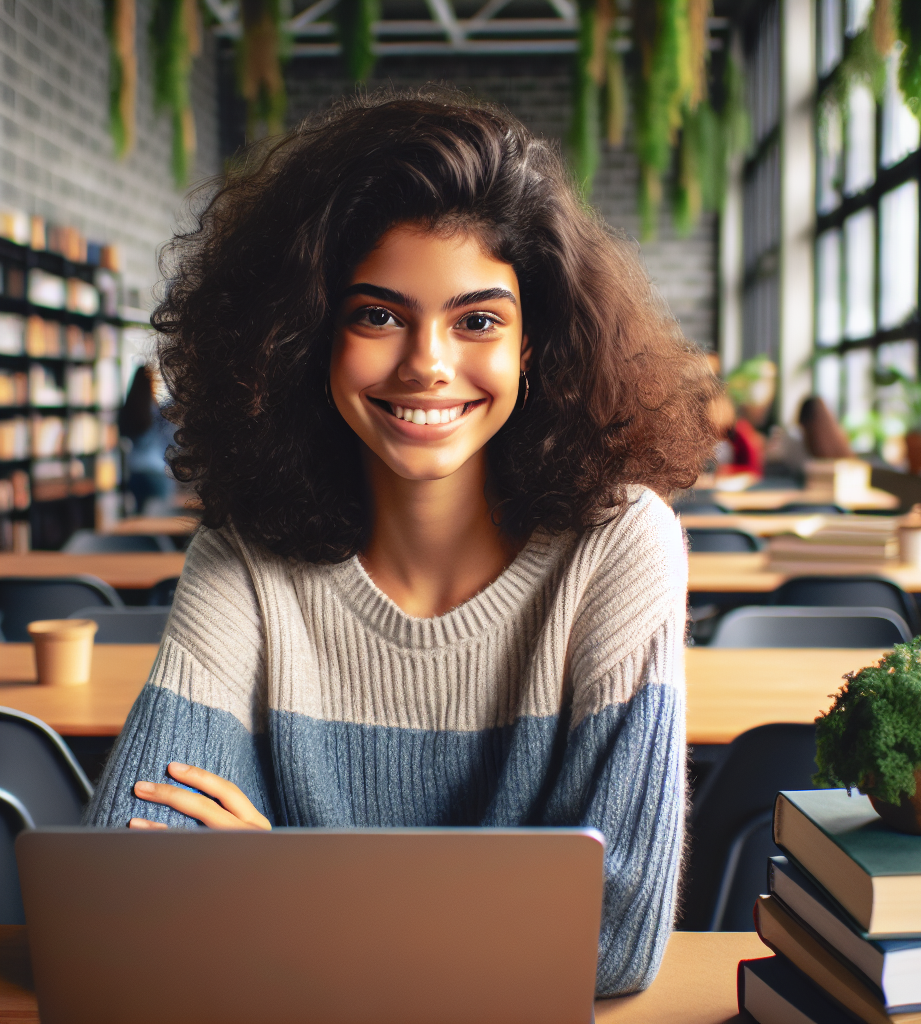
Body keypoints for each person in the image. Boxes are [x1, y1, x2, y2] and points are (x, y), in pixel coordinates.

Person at [83, 90, 718, 996]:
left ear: (534, 343)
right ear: (307, 336)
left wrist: (289, 883)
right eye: (377, 315)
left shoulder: (618, 546)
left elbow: (611, 941)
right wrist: (456, 926)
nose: (427, 361)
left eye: (479, 320)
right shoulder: (243, 556)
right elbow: (127, 891)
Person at [117, 365, 177, 513]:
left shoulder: (128, 409)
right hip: (156, 471)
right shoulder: (158, 411)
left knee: (140, 517)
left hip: (135, 471)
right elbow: (171, 440)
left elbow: (122, 436)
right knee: (161, 519)